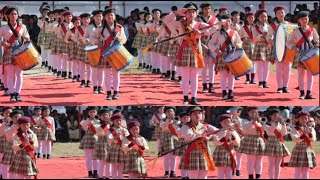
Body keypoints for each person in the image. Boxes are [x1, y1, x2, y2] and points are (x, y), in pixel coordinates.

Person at [162, 2, 219, 105]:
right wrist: (177, 13)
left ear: (196, 14)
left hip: (196, 50)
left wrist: (201, 33)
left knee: (195, 76)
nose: (191, 14)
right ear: (185, 13)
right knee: (185, 75)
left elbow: (215, 27)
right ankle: (185, 98)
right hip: (184, 49)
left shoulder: (200, 24)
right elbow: (166, 21)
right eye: (189, 12)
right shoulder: (180, 23)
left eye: (193, 12)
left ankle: (194, 97)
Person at [90, 8, 127, 99]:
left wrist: (120, 40)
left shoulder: (119, 27)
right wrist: (97, 43)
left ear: (114, 17)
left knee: (116, 73)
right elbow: (92, 38)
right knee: (106, 73)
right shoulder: (100, 28)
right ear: (105, 18)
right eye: (107, 15)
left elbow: (124, 39)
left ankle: (116, 92)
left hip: (116, 53)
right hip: (105, 53)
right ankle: (108, 93)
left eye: (112, 15)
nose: (110, 17)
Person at [179, 106, 219, 179]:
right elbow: (190, 137)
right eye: (194, 113)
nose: (197, 115)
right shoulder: (186, 126)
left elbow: (218, 132)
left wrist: (210, 137)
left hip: (204, 153)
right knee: (192, 176)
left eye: (199, 113)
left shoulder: (206, 126)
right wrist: (202, 131)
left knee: (204, 176)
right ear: (190, 115)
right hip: (192, 153)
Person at [208, 14, 242, 100]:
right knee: (223, 75)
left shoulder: (234, 32)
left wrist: (238, 46)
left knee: (231, 74)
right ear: (222, 23)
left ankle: (231, 92)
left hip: (232, 55)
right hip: (223, 54)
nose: (228, 22)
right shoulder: (218, 33)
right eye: (226, 20)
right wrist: (216, 50)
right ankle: (224, 93)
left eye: (229, 20)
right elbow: (210, 43)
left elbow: (239, 42)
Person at [286, 11, 319, 100]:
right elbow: (288, 42)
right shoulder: (296, 31)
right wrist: (293, 47)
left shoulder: (312, 30)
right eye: (303, 19)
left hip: (310, 54)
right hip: (300, 54)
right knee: (301, 74)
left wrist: (317, 43)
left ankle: (309, 93)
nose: (305, 20)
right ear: (299, 20)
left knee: (310, 74)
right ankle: (302, 93)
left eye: (306, 18)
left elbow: (317, 40)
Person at [0, 7, 30, 102]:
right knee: (9, 73)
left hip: (20, 51)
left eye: (15, 14)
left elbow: (28, 39)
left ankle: (18, 93)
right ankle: (12, 93)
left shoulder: (23, 27)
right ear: (8, 16)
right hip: (9, 51)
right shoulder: (4, 28)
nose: (14, 16)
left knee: (19, 73)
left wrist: (25, 37)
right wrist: (3, 43)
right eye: (12, 14)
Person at [267, 6, 293, 93]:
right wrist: (271, 39)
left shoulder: (289, 25)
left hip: (288, 49)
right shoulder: (273, 25)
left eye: (282, 12)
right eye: (279, 13)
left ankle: (285, 87)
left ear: (285, 13)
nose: (281, 14)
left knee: (288, 68)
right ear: (276, 15)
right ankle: (280, 87)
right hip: (278, 48)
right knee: (279, 68)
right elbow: (268, 36)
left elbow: (293, 37)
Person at [238, 106, 266, 179]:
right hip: (250, 140)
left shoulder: (259, 121)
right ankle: (250, 176)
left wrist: (262, 123)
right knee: (251, 160)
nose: (254, 113)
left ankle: (258, 176)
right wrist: (252, 122)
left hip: (259, 140)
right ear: (248, 113)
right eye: (252, 112)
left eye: (256, 112)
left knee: (259, 160)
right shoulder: (245, 120)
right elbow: (245, 130)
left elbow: (264, 131)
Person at [263, 108, 291, 179]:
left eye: (277, 115)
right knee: (271, 164)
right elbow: (269, 131)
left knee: (278, 164)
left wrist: (283, 124)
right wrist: (275, 123)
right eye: (274, 115)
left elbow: (284, 133)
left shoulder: (280, 124)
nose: (276, 116)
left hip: (279, 143)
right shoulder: (266, 124)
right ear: (270, 116)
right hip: (271, 142)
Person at [288, 110, 317, 179]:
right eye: (302, 118)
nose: (304, 120)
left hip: (308, 150)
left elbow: (313, 140)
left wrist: (309, 133)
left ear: (308, 119)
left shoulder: (311, 128)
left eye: (306, 118)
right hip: (299, 150)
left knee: (305, 171)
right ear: (298, 119)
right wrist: (304, 134)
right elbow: (295, 139)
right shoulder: (295, 129)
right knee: (297, 170)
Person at [211, 114, 241, 179]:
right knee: (220, 172)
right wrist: (224, 131)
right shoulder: (219, 131)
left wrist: (232, 137)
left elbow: (238, 143)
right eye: (225, 122)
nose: (227, 124)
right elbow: (216, 142)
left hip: (230, 153)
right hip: (220, 153)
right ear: (220, 123)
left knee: (229, 172)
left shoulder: (233, 132)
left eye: (229, 122)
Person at [198, 2, 218, 94]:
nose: (207, 10)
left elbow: (216, 32)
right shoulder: (198, 20)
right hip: (201, 44)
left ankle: (211, 85)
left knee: (212, 66)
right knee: (203, 66)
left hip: (213, 44)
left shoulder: (215, 19)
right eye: (205, 9)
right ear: (202, 10)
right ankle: (204, 85)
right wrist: (202, 44)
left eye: (209, 8)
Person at [252, 9, 272, 89]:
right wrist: (262, 36)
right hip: (259, 46)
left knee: (267, 65)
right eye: (262, 17)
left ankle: (265, 81)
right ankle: (260, 82)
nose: (264, 18)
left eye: (265, 16)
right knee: (259, 65)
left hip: (267, 46)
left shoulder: (269, 26)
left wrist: (270, 38)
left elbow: (271, 36)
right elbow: (254, 39)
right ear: (258, 17)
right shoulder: (255, 27)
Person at [106, 114, 129, 179]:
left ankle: (121, 177)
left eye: (120, 120)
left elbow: (128, 140)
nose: (118, 122)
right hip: (114, 149)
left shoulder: (125, 130)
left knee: (122, 166)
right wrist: (115, 137)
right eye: (116, 120)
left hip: (122, 149)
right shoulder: (110, 130)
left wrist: (124, 135)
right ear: (113, 121)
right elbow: (109, 141)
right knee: (114, 166)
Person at [2, 109, 23, 179]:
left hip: (22, 148)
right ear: (11, 118)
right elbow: (9, 134)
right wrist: (15, 125)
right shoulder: (8, 127)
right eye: (15, 117)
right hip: (11, 147)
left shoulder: (25, 127)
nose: (17, 119)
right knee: (7, 166)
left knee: (20, 167)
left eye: (19, 117)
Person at [79, 106, 99, 178]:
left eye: (94, 112)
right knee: (88, 157)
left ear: (96, 113)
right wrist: (89, 121)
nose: (92, 113)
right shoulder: (84, 121)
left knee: (96, 157)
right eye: (91, 112)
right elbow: (84, 126)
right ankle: (89, 172)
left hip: (96, 140)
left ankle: (96, 172)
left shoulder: (99, 122)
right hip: (88, 139)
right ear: (88, 113)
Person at [159, 106, 179, 178]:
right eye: (168, 111)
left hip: (175, 139)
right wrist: (168, 122)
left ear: (174, 112)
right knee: (167, 156)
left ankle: (173, 172)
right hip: (166, 138)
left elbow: (179, 129)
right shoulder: (163, 120)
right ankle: (166, 172)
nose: (170, 113)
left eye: (171, 111)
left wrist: (175, 122)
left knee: (174, 156)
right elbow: (163, 127)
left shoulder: (177, 120)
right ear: (165, 113)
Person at [93, 108, 112, 179]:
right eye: (103, 115)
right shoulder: (96, 123)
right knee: (101, 162)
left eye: (106, 114)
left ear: (109, 116)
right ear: (100, 116)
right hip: (101, 143)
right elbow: (98, 132)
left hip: (110, 143)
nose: (104, 116)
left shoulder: (112, 124)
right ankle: (100, 176)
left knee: (109, 162)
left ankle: (107, 176)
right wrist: (105, 125)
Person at [239, 11, 256, 84]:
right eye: (249, 17)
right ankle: (247, 79)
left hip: (254, 45)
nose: (251, 19)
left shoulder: (256, 27)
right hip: (246, 45)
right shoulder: (243, 28)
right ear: (246, 19)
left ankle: (253, 79)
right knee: (246, 62)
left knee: (253, 62)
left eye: (252, 17)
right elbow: (239, 37)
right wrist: (243, 39)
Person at [228, 106, 244, 176]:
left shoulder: (242, 120)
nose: (238, 113)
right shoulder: (229, 120)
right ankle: (233, 169)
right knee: (232, 155)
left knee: (239, 156)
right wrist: (232, 122)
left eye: (239, 112)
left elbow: (243, 131)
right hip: (231, 139)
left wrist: (239, 127)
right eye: (237, 111)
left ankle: (238, 170)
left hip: (240, 139)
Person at [76, 12, 91, 88]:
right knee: (81, 65)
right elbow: (75, 38)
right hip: (81, 47)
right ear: (81, 20)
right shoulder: (78, 28)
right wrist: (79, 40)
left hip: (90, 46)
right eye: (84, 19)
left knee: (89, 65)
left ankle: (89, 80)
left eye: (87, 18)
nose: (86, 20)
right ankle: (82, 81)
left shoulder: (92, 27)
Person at [0, 106, 13, 179]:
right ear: (3, 113)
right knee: (1, 159)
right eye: (6, 113)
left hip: (11, 144)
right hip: (2, 142)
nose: (8, 114)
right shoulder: (0, 121)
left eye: (10, 113)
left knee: (9, 161)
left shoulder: (14, 122)